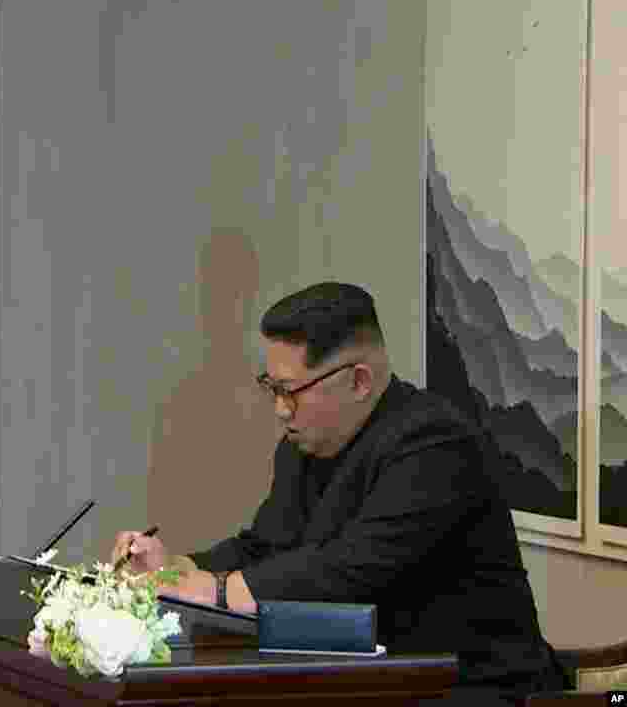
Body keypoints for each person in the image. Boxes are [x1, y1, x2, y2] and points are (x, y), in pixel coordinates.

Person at [112, 282, 567, 702]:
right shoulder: (303, 447)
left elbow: (350, 570)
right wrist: (175, 571)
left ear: (358, 381)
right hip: (369, 683)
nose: (279, 410)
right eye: (271, 388)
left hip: (475, 687)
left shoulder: (434, 443)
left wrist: (216, 592)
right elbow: (265, 546)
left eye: (290, 392)